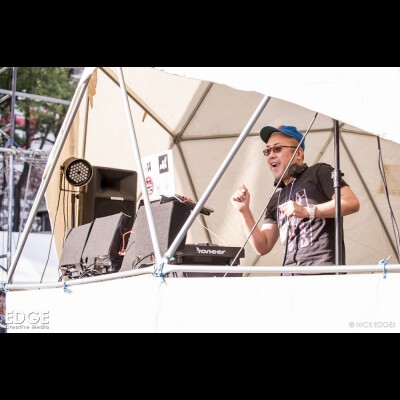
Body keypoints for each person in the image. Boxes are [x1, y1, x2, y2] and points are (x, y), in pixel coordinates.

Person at [231, 125, 360, 266]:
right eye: (267, 151)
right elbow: (263, 246)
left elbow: (350, 202)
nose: (271, 155)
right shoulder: (276, 199)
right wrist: (244, 211)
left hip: (322, 271)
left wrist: (307, 211)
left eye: (277, 149)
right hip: (290, 274)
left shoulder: (318, 172)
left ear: (298, 153)